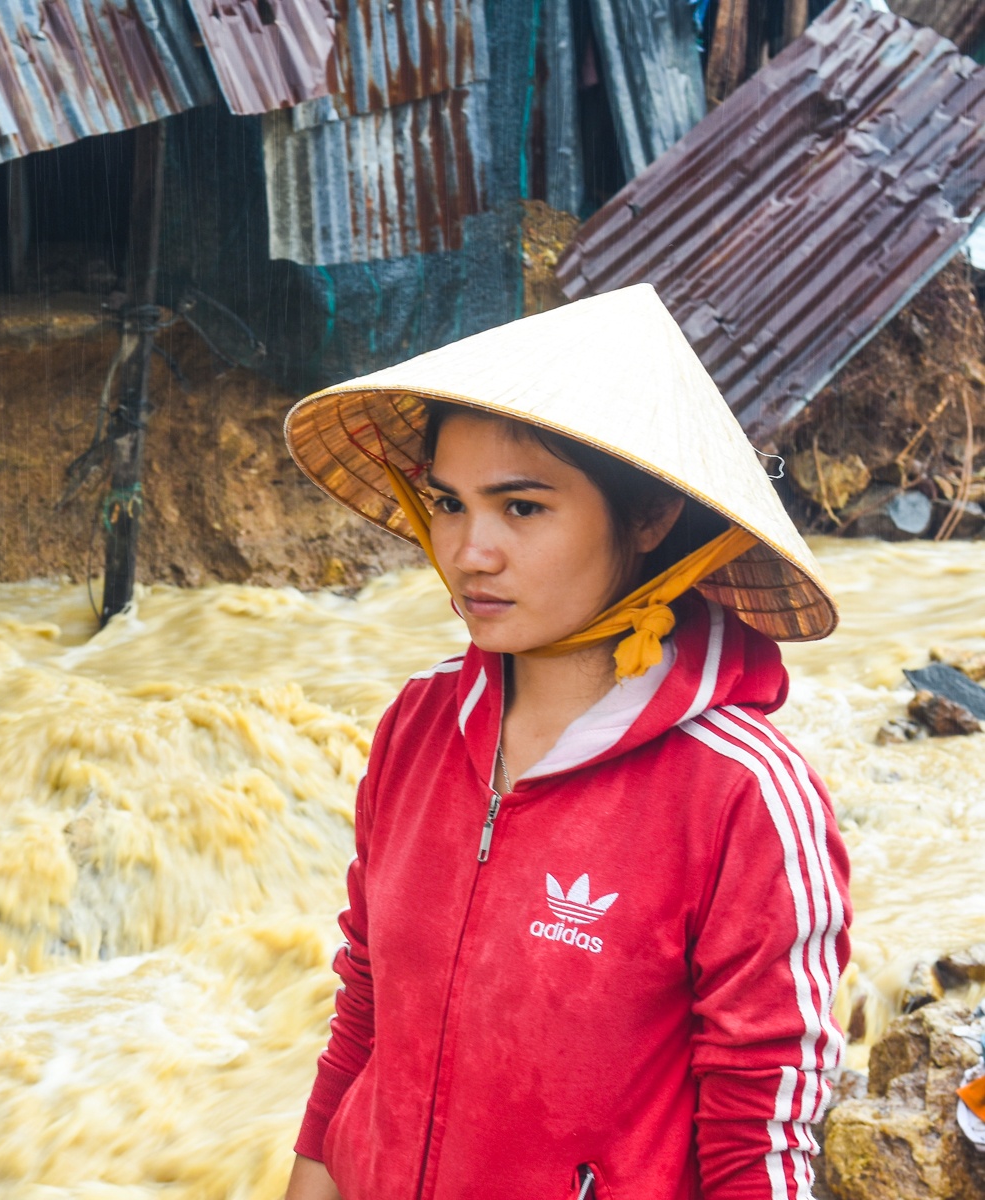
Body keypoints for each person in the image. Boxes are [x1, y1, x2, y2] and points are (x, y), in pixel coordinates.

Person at [279, 286, 851, 1200]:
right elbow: (367, 1006)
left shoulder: (742, 796)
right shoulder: (418, 727)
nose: (469, 551)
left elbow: (761, 1130)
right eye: (450, 503)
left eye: (522, 508)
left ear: (651, 518)